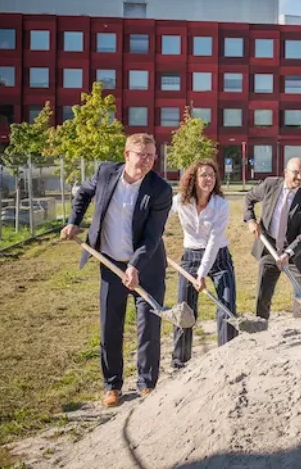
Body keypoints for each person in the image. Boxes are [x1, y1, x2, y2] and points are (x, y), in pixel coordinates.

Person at [60, 133, 172, 407]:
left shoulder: (160, 189)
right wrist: (74, 221)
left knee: (148, 326)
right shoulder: (106, 173)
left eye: (151, 156)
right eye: (142, 155)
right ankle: (112, 385)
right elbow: (83, 193)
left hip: (147, 267)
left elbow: (152, 236)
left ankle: (147, 384)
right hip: (111, 263)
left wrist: (135, 266)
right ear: (127, 155)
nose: (147, 161)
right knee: (110, 326)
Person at [170, 159, 236, 370]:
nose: (208, 179)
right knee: (184, 310)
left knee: (226, 306)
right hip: (190, 257)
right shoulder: (180, 201)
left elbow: (214, 241)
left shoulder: (221, 205)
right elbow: (159, 216)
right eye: (203, 175)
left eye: (212, 175)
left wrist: (202, 273)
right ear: (193, 179)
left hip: (219, 257)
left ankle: (227, 356)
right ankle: (180, 360)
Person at [243, 157, 301, 319]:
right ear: (285, 172)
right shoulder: (270, 185)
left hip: (295, 253)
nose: (300, 177)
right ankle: (261, 326)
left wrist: (288, 254)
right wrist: (251, 220)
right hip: (269, 247)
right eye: (296, 173)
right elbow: (249, 198)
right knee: (263, 295)